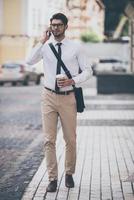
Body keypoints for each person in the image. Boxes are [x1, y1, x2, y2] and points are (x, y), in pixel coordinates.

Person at [26, 13, 92, 192]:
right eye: (53, 25)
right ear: (50, 26)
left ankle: (69, 174)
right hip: (48, 96)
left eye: (59, 25)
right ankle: (52, 178)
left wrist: (73, 81)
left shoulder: (76, 47)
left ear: (66, 27)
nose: (55, 28)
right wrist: (41, 41)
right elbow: (29, 61)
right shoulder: (45, 47)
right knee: (49, 140)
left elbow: (88, 71)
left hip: (68, 97)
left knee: (70, 139)